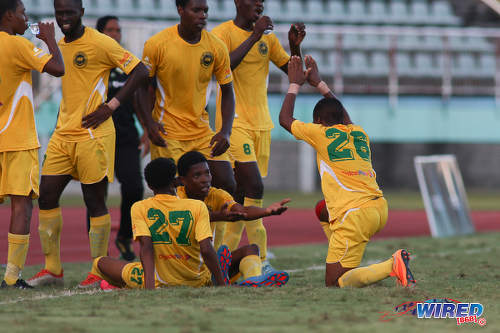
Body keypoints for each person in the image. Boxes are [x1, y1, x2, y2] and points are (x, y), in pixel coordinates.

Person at [27, 0, 155, 288]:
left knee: (94, 201)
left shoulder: (101, 43)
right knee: (46, 195)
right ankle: (53, 269)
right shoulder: (60, 44)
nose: (64, 18)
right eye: (59, 13)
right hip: (62, 134)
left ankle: (101, 271)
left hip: (93, 135)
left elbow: (141, 71)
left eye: (69, 13)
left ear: (82, 13)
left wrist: (111, 106)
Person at [279, 55, 416, 288]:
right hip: (378, 208)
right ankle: (342, 250)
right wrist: (320, 84)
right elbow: (343, 115)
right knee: (323, 211)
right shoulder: (359, 131)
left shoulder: (320, 132)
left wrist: (294, 84)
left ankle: (392, 265)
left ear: (319, 120)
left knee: (334, 283)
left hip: (354, 215)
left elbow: (284, 119)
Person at [211, 0, 305, 273]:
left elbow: (294, 73)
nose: (260, 5)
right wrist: (254, 36)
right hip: (234, 123)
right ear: (238, 2)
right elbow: (222, 68)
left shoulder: (269, 38)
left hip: (262, 125)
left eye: (263, 2)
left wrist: (295, 46)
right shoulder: (223, 33)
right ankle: (262, 259)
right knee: (255, 188)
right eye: (254, 0)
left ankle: (223, 257)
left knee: (240, 195)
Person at [138, 0, 236, 197]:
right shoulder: (157, 44)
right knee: (174, 194)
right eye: (196, 10)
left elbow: (228, 91)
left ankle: (210, 228)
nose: (203, 15)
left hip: (201, 131)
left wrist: (225, 131)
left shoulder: (216, 46)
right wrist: (149, 125)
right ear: (180, 10)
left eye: (205, 11)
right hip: (168, 133)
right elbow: (141, 88)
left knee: (227, 184)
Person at [0, 0, 64, 289]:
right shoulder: (18, 45)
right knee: (21, 205)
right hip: (17, 139)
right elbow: (58, 68)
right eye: (23, 13)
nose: (26, 18)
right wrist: (50, 39)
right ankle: (12, 277)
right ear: (9, 15)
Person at [91, 158, 226, 289]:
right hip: (196, 280)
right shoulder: (197, 206)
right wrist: (222, 285)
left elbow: (146, 247)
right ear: (175, 182)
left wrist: (150, 287)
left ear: (149, 185)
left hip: (158, 279)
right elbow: (207, 249)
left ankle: (121, 285)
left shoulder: (140, 207)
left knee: (100, 262)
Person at [176, 151, 290, 286]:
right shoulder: (177, 198)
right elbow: (192, 218)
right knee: (217, 254)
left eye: (207, 173)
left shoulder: (217, 195)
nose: (205, 179)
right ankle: (221, 276)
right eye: (197, 175)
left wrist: (267, 211)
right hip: (186, 264)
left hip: (209, 263)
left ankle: (252, 282)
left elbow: (242, 211)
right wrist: (218, 216)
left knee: (252, 249)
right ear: (183, 180)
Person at [91, 15, 147, 261]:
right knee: (95, 192)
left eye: (118, 30)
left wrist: (147, 128)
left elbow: (136, 99)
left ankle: (125, 235)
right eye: (110, 30)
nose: (115, 34)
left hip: (125, 136)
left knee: (135, 187)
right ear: (99, 33)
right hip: (96, 135)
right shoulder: (91, 60)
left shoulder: (127, 64)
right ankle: (98, 254)